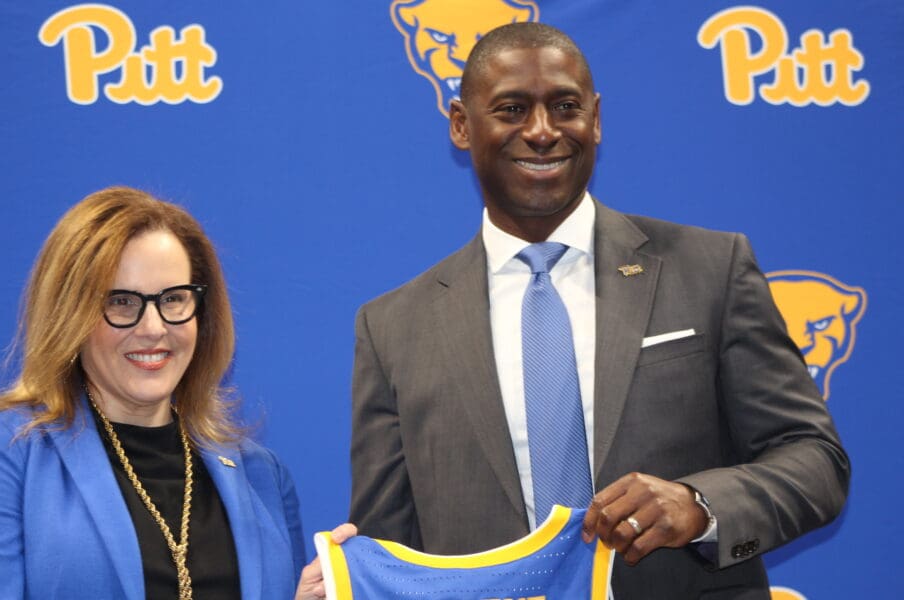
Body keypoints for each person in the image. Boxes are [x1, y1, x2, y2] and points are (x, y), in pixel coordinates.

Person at [349, 23, 849, 598]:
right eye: (511, 109)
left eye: (565, 107)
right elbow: (387, 551)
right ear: (462, 125)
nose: (542, 132)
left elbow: (816, 462)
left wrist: (697, 505)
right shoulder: (393, 327)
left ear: (596, 117)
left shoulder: (710, 269)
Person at [0, 186, 352, 599]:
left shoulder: (261, 474)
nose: (153, 328)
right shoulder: (7, 454)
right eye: (122, 302)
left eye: (173, 298)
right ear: (69, 314)